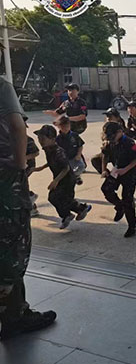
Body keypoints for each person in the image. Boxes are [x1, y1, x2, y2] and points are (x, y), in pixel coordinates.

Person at [0, 78, 57, 340]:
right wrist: (20, 165)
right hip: (5, 179)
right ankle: (14, 316)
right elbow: (16, 126)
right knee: (13, 244)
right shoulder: (1, 86)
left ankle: (13, 313)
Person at [32, 125, 91, 229]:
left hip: (67, 179)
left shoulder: (58, 151)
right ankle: (79, 209)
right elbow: (52, 161)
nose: (40, 141)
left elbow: (66, 168)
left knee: (55, 197)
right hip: (60, 178)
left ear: (52, 139)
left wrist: (55, 181)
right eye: (39, 138)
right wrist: (40, 168)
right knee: (61, 198)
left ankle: (70, 213)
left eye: (43, 138)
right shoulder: (48, 149)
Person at [100, 122, 136, 238]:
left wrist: (125, 170)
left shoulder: (129, 142)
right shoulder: (109, 142)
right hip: (117, 170)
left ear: (120, 132)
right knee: (106, 189)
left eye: (113, 136)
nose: (111, 139)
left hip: (130, 171)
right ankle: (119, 206)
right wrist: (104, 169)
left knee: (127, 198)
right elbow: (105, 155)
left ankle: (133, 225)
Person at [90, 108, 127, 174]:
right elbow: (103, 135)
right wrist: (105, 140)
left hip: (119, 151)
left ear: (116, 117)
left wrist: (113, 140)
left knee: (118, 168)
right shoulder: (107, 125)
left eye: (110, 116)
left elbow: (122, 135)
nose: (108, 118)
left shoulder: (119, 125)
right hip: (108, 149)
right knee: (95, 160)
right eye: (107, 116)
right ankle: (108, 175)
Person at [54, 116, 86, 185]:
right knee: (65, 170)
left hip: (74, 157)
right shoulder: (58, 139)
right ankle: (72, 177)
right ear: (59, 127)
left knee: (82, 167)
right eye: (63, 127)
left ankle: (75, 176)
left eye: (67, 126)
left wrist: (78, 155)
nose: (65, 128)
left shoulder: (74, 135)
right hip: (65, 159)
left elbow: (80, 145)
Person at [24, 117, 42, 217]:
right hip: (16, 166)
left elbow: (36, 152)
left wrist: (24, 158)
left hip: (28, 167)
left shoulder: (27, 139)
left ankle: (31, 201)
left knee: (19, 185)